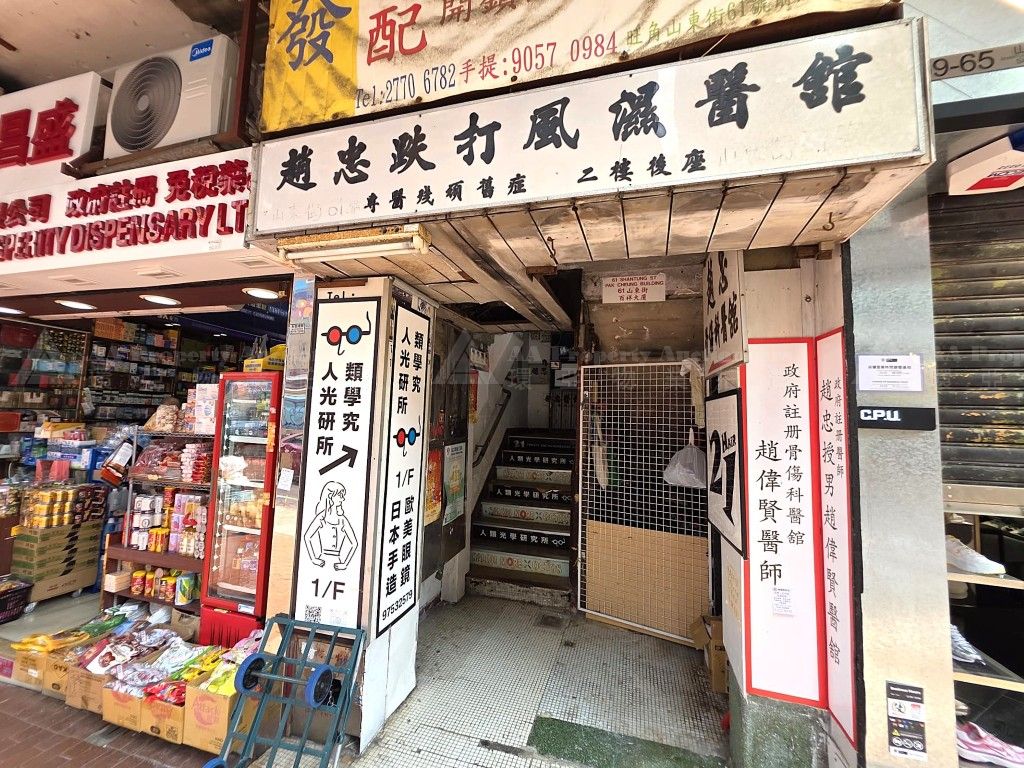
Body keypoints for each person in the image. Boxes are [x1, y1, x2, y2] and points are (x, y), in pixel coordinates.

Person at [303, 481, 358, 571]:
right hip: (322, 562)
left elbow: (354, 543)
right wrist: (314, 559)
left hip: (337, 563)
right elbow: (307, 537)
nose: (343, 499)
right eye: (340, 495)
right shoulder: (321, 517)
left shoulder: (342, 520)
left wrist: (345, 564)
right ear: (330, 496)